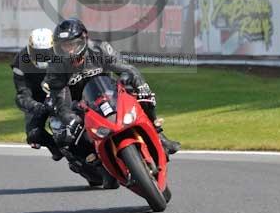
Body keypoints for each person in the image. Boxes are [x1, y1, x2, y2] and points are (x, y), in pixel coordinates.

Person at [44, 18, 180, 156]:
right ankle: (91, 164)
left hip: (109, 95)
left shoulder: (99, 49)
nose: (69, 50)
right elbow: (60, 99)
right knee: (67, 136)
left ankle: (158, 135)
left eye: (72, 44)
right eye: (64, 46)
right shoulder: (56, 66)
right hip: (81, 107)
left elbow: (128, 69)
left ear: (83, 40)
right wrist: (69, 117)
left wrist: (141, 87)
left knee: (142, 96)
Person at [11, 27, 62, 161]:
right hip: (37, 99)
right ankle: (54, 147)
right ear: (29, 50)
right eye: (37, 52)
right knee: (33, 135)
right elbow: (22, 92)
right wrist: (34, 105)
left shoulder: (64, 55)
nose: (42, 56)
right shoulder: (21, 60)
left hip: (63, 94)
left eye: (46, 52)